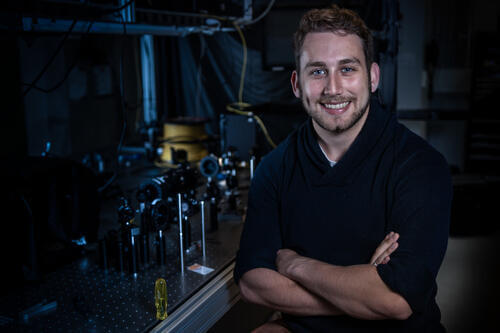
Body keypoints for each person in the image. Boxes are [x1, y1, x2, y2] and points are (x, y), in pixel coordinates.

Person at [233, 4, 452, 332]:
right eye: (317, 71)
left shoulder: (419, 165)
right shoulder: (274, 168)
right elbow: (252, 282)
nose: (333, 89)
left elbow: (397, 301)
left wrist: (295, 264)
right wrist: (361, 294)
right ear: (297, 83)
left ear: (373, 77)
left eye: (347, 69)